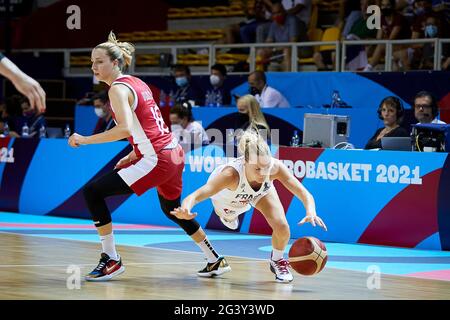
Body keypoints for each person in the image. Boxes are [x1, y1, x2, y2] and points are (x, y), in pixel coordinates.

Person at [68, 32, 229, 281]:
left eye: (99, 61)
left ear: (115, 63)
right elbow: (149, 126)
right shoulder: (137, 83)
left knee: (93, 192)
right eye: (92, 62)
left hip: (158, 159)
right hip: (171, 152)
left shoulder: (117, 90)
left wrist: (84, 140)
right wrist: (135, 153)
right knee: (172, 209)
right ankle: (214, 258)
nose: (94, 67)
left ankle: (111, 258)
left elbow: (125, 129)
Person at [171, 129, 327, 283]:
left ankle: (277, 260)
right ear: (245, 162)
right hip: (227, 200)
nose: (262, 173)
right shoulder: (230, 175)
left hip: (260, 193)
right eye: (257, 169)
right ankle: (229, 217)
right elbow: (196, 195)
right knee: (231, 221)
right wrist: (186, 209)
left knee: (282, 227)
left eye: (265, 167)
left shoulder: (274, 168)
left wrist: (310, 211)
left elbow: (303, 192)